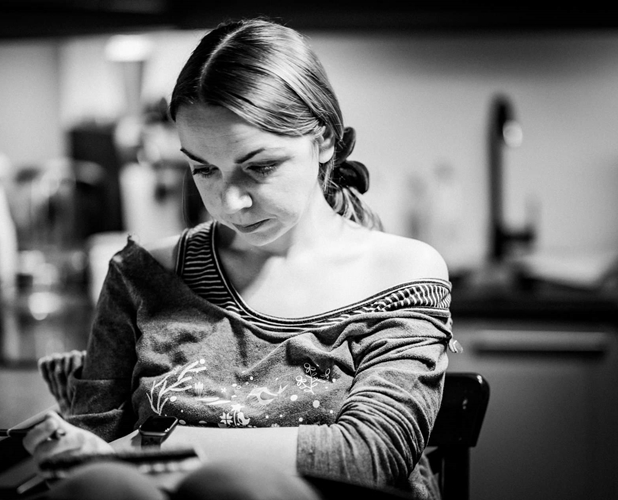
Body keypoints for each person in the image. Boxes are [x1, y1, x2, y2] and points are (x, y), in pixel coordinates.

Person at [24, 17, 458, 500]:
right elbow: (92, 455)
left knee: (234, 488)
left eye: (260, 166)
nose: (230, 202)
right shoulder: (141, 275)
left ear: (323, 142)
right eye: (204, 169)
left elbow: (369, 456)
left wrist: (159, 442)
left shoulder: (401, 273)